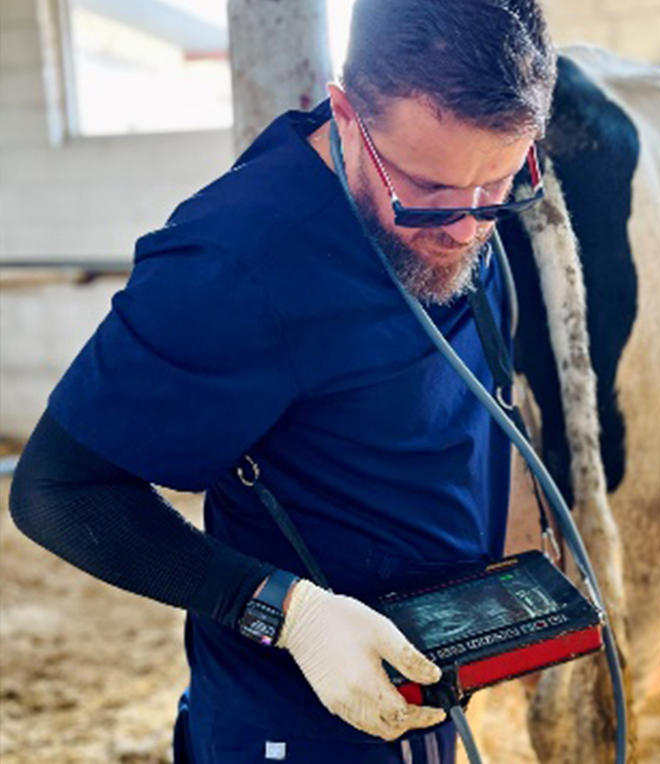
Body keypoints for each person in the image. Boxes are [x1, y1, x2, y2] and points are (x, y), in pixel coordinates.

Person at [9, 0, 557, 761]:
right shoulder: (237, 261)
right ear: (345, 115)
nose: (466, 228)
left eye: (497, 184)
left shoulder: (462, 188)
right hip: (294, 718)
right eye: (427, 190)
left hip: (426, 684)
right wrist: (286, 613)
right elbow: (57, 490)